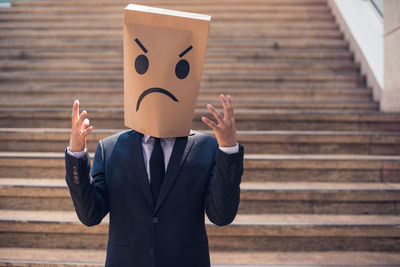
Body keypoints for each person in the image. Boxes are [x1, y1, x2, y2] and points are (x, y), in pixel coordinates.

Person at [65, 94, 244, 267]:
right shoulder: (109, 149)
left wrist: (228, 150)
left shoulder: (207, 148)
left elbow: (222, 216)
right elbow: (90, 215)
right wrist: (77, 153)